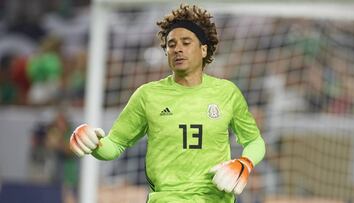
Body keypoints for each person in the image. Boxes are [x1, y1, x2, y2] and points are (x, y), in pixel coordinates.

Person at [70, 4, 265, 203]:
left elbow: (255, 142)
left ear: (204, 49)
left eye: (186, 42)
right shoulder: (148, 95)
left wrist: (244, 163)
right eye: (171, 45)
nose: (177, 49)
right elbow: (114, 145)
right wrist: (93, 142)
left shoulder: (226, 92)